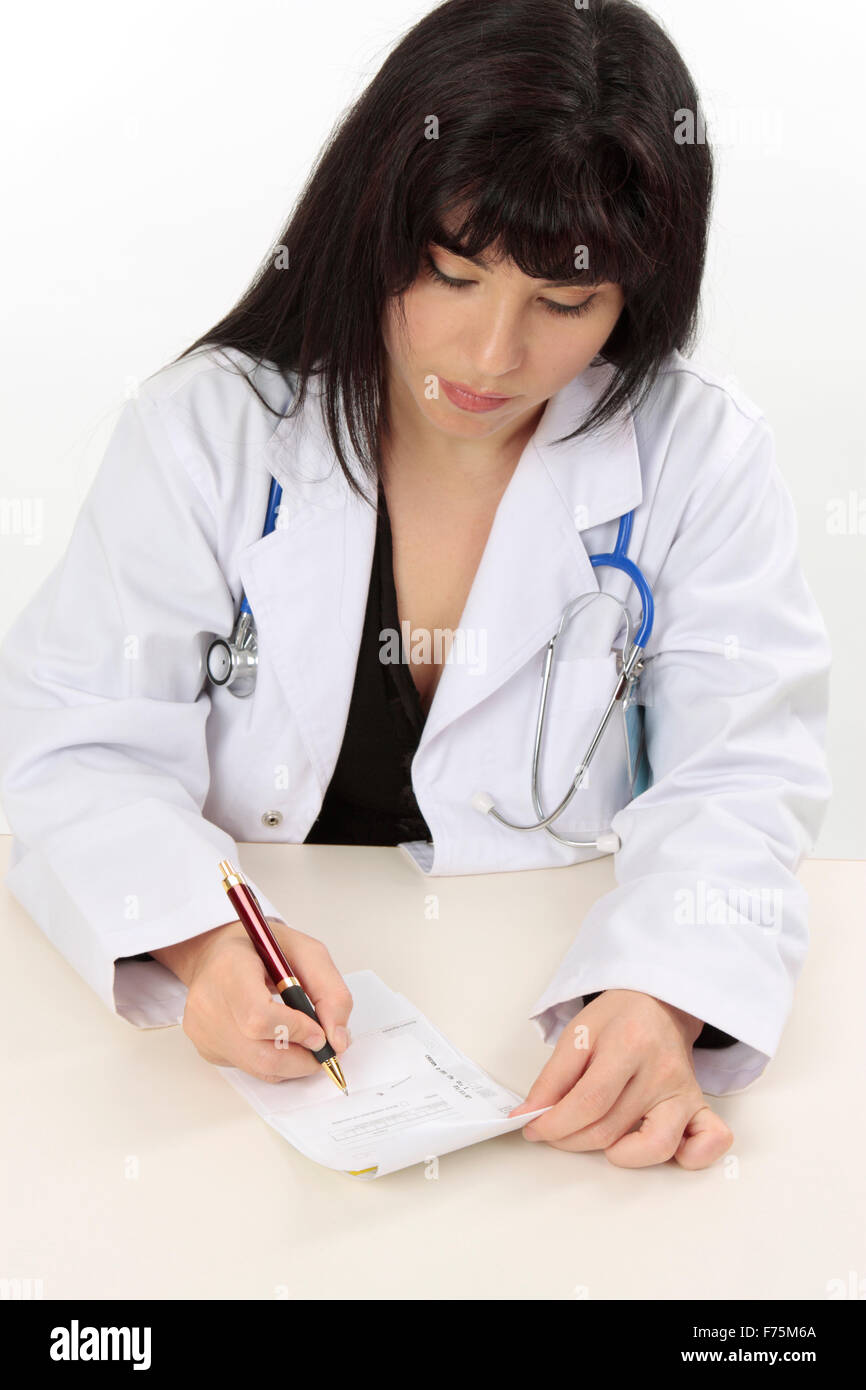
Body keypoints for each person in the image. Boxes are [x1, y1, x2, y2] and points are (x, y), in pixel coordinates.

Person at [0, 0, 831, 1171]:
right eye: (451, 273)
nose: (492, 355)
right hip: (234, 1089)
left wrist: (663, 990)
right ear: (373, 223)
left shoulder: (696, 458)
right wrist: (200, 945)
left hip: (533, 1036)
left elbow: (739, 775)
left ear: (634, 295)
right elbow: (77, 744)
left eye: (563, 303)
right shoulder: (210, 433)